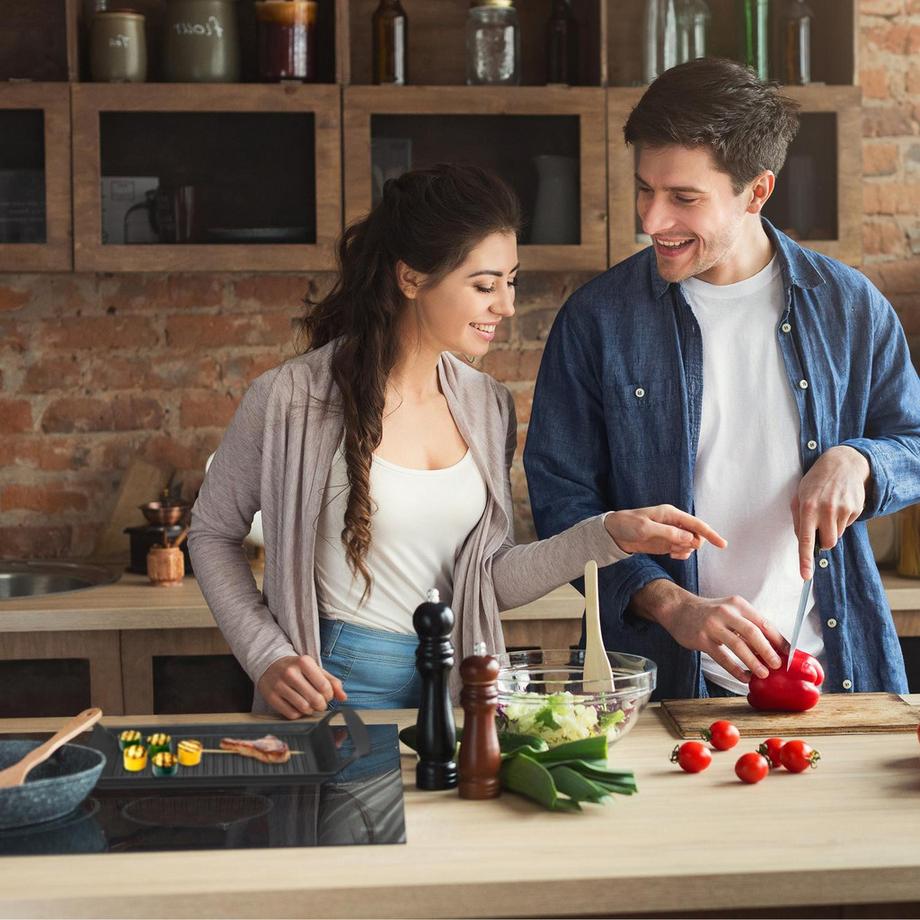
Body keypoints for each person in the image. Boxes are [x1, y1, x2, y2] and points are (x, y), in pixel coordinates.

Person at [189, 163, 725, 718]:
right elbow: (211, 534)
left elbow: (486, 580)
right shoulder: (290, 399)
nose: (507, 305)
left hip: (459, 688)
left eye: (510, 281)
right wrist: (266, 655)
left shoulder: (487, 405)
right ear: (412, 278)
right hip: (335, 687)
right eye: (484, 284)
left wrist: (607, 535)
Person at [524, 58, 920, 701]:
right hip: (662, 689)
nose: (652, 221)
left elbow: (913, 441)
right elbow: (563, 504)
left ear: (756, 192)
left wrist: (860, 461)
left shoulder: (850, 306)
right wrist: (669, 603)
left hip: (834, 678)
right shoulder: (596, 320)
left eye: (683, 198)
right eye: (645, 189)